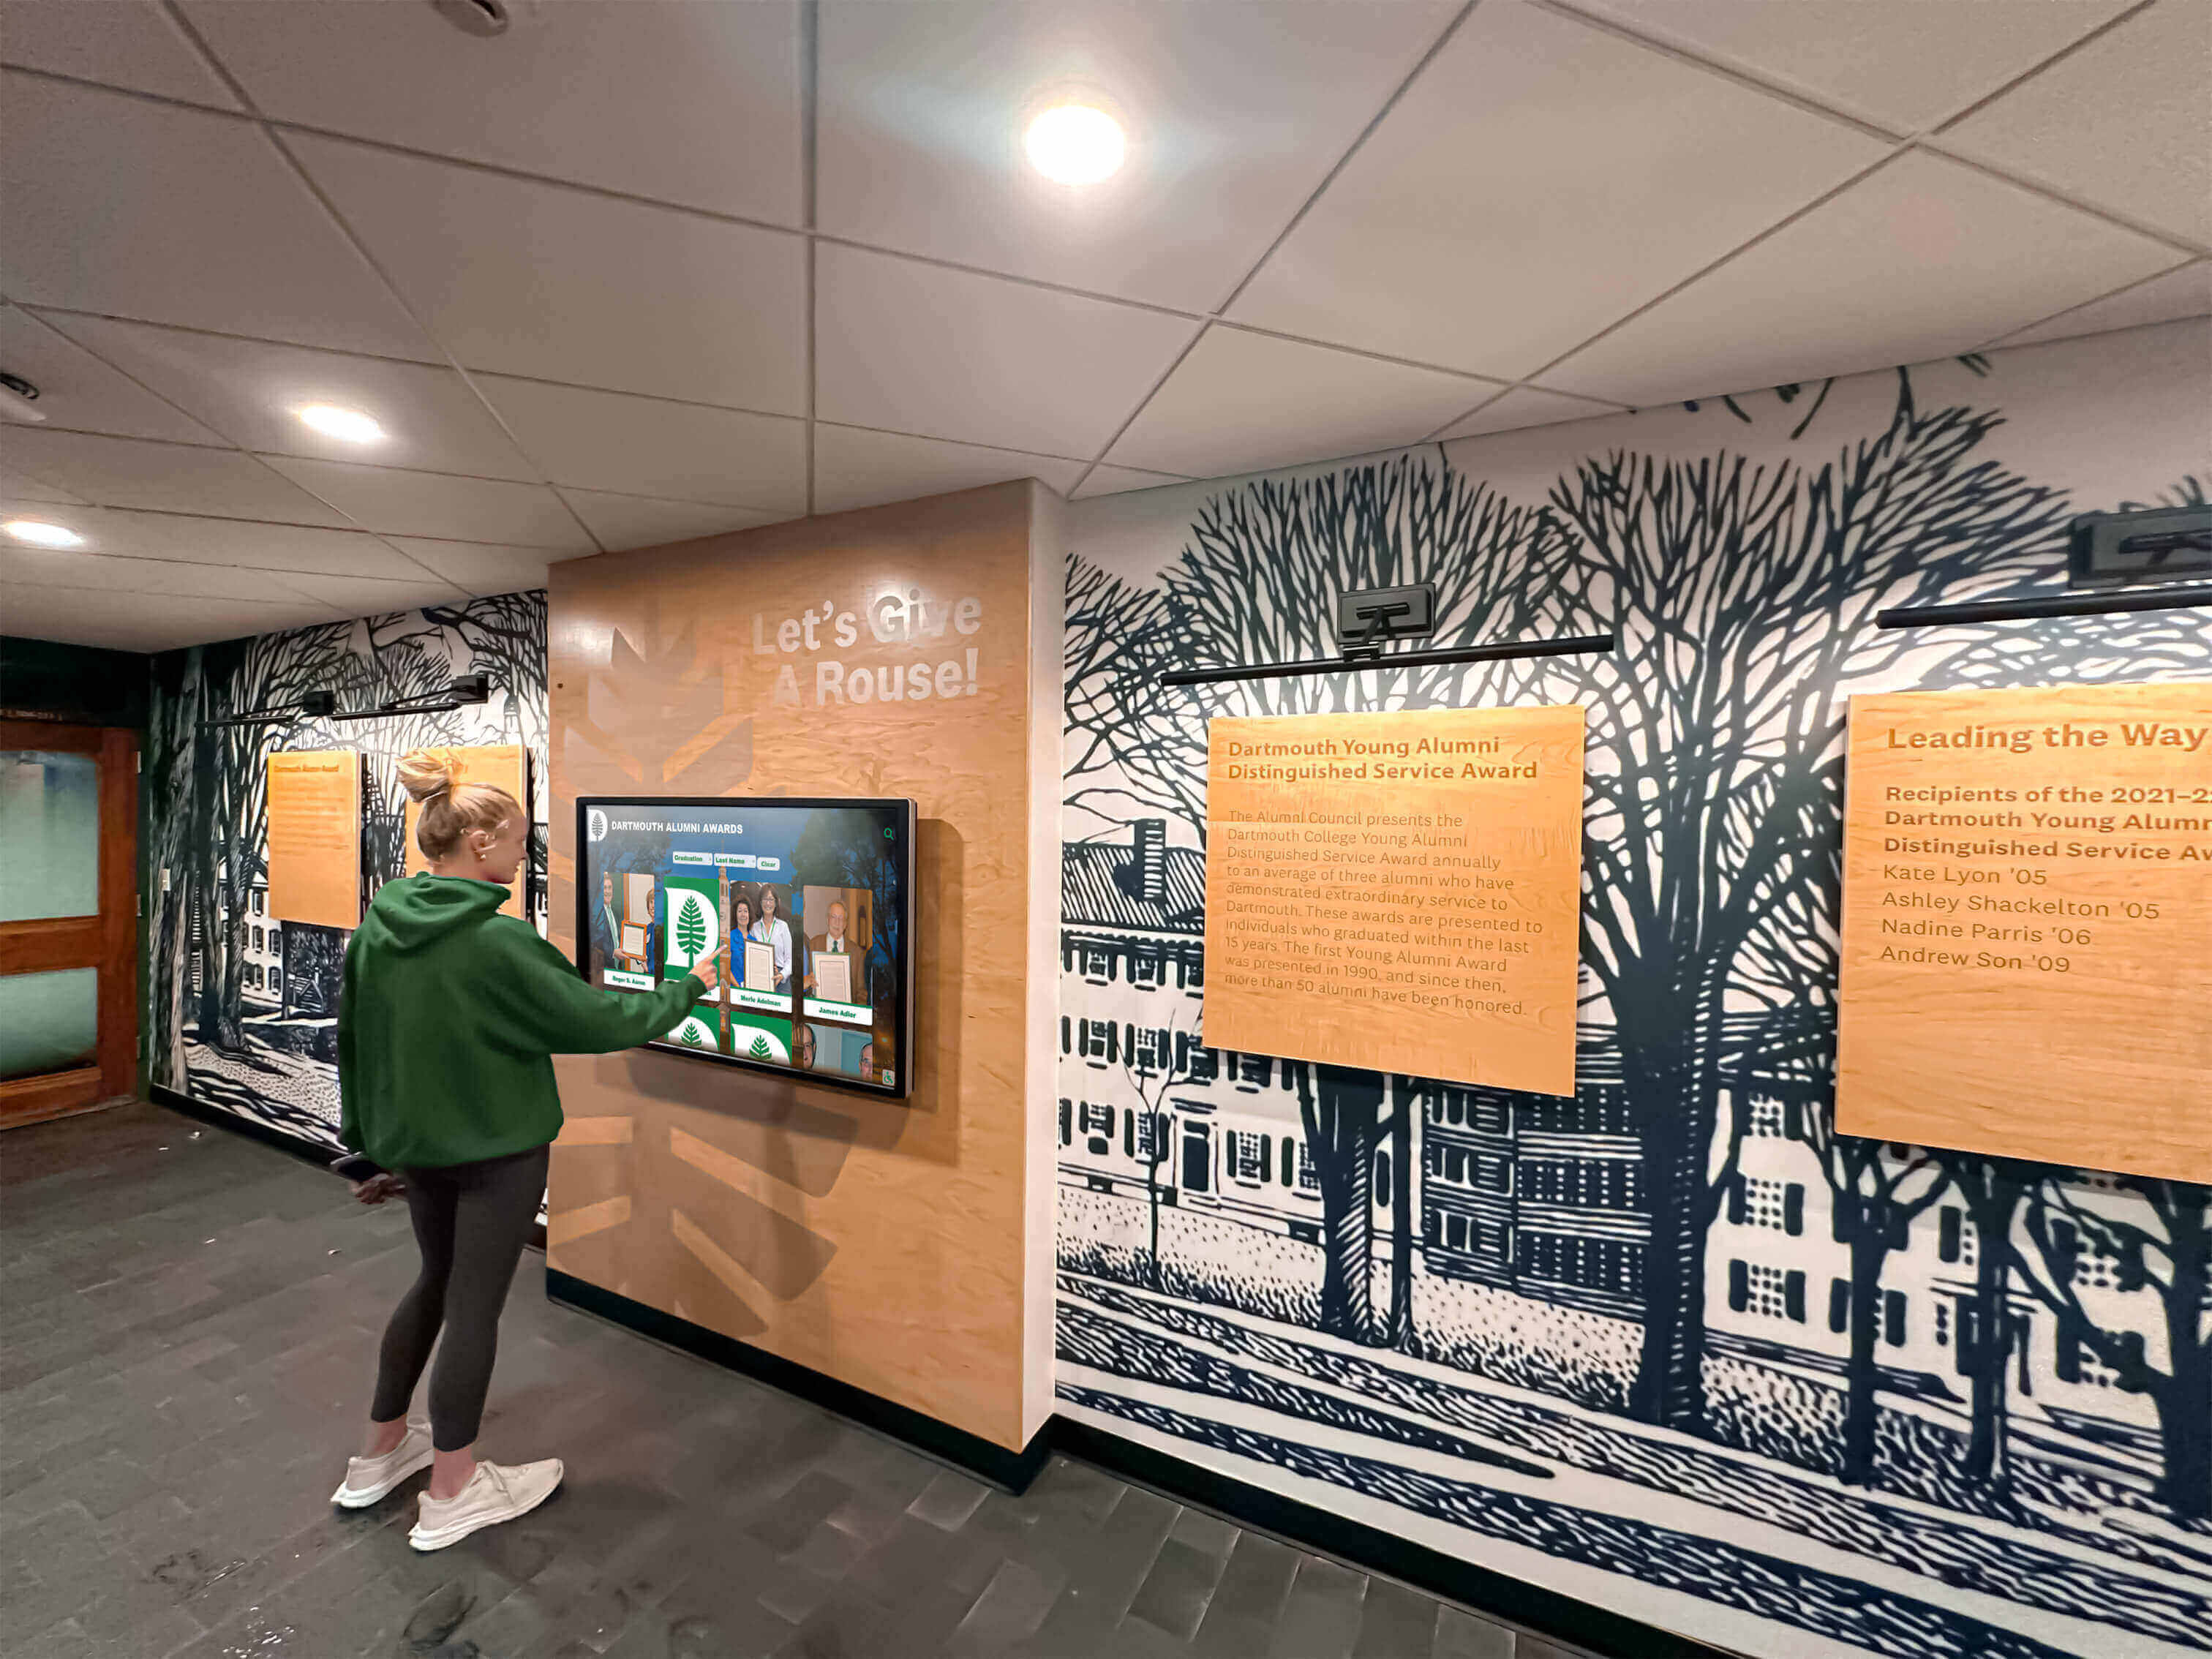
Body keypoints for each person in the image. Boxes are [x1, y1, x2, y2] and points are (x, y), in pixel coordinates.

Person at [331, 749, 718, 1551]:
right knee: (475, 1307)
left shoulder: (380, 927)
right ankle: (453, 1489)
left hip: (417, 1150)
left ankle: (376, 1456)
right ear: (479, 845)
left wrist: (366, 1147)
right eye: (518, 839)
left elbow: (354, 1043)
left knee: (434, 1284)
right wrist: (693, 985)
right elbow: (604, 1022)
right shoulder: (498, 943)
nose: (524, 853)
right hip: (497, 1155)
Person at [750, 884, 794, 993]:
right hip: (760, 977)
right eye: (765, 899)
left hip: (781, 979)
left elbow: (790, 960)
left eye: (771, 899)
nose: (768, 903)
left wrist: (781, 975)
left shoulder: (783, 926)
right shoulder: (754, 928)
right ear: (760, 902)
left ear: (776, 903)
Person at [588, 873, 620, 979]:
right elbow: (596, 940)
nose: (607, 891)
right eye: (604, 888)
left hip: (617, 968)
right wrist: (613, 952)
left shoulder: (615, 913)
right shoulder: (596, 912)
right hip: (603, 970)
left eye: (609, 888)